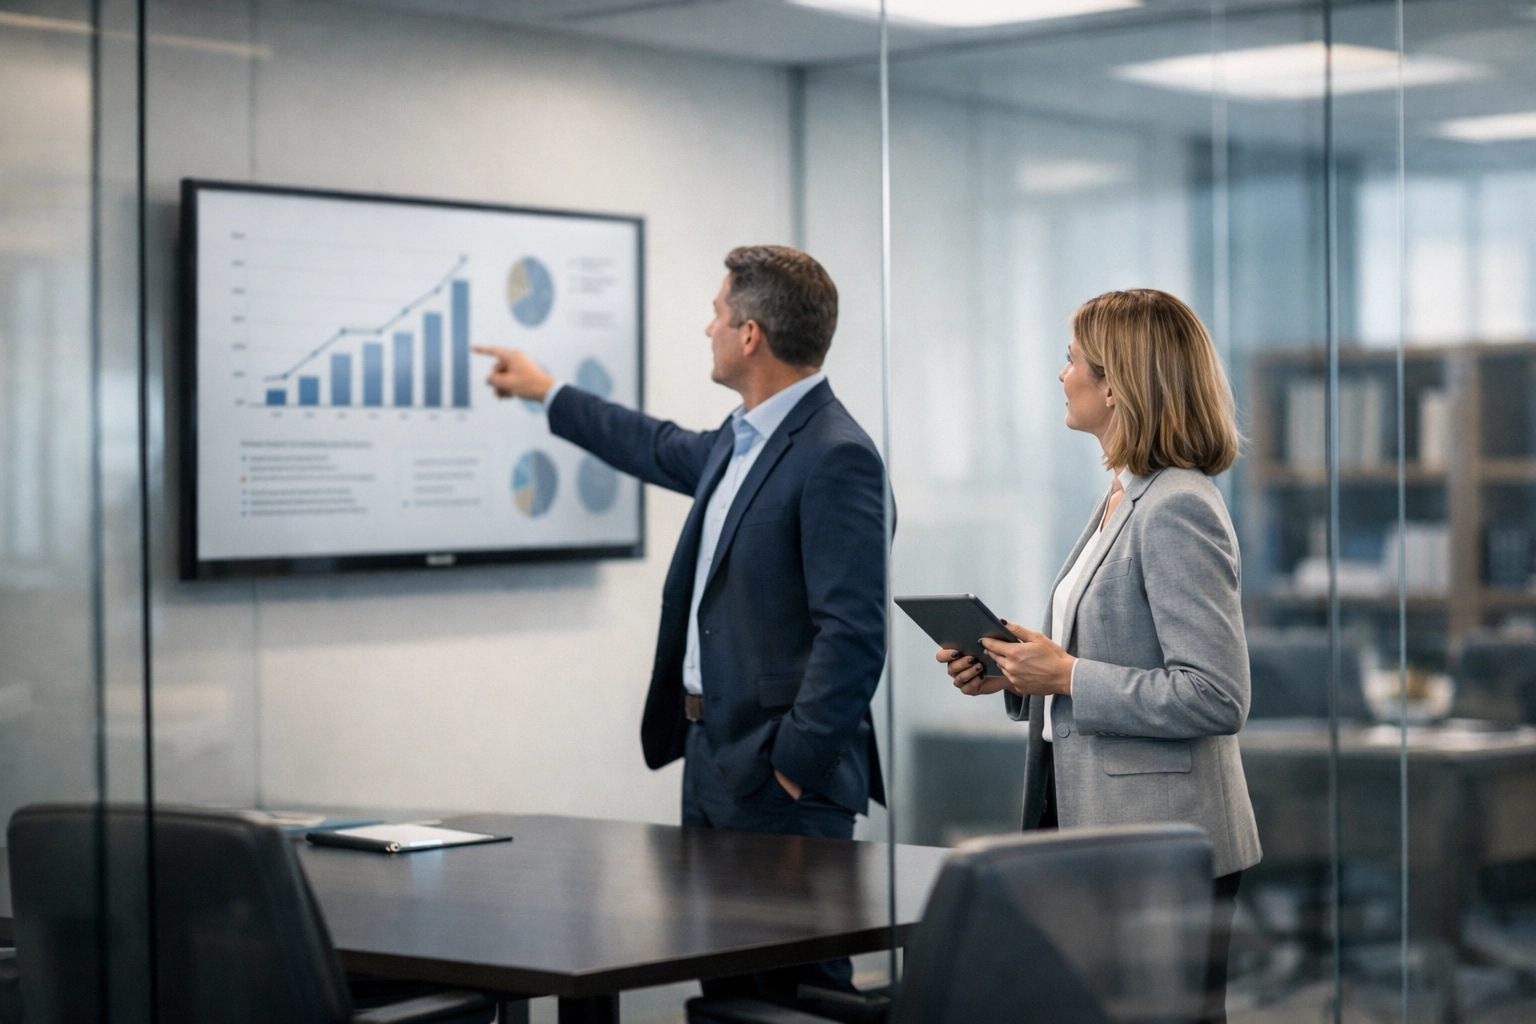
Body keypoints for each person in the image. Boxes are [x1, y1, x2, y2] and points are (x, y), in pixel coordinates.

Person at [476, 245, 887, 1002]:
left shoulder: (837, 456)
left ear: (751, 333)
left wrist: (792, 764)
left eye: (717, 314)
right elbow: (654, 443)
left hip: (777, 776)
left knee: (792, 993)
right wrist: (545, 391)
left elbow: (854, 636)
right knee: (728, 988)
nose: (708, 328)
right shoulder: (740, 441)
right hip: (712, 755)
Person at [938, 288, 1261, 1024]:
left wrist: (1070, 675)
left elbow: (1216, 694)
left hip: (1164, 845)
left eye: (1071, 360)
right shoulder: (1124, 495)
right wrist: (1016, 670)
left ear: (1116, 382)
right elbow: (1109, 648)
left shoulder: (1179, 504)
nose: (1061, 375)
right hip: (1090, 823)